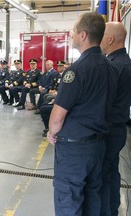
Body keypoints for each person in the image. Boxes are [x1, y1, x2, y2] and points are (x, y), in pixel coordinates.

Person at [47, 12, 118, 216]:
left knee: (68, 198)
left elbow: (58, 116)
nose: (72, 35)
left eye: (74, 31)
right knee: (93, 197)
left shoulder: (76, 71)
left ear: (83, 35)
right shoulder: (111, 67)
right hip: (98, 146)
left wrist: (52, 133)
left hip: (74, 150)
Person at [100, 22, 131, 216]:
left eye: (102, 35)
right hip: (118, 128)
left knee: (104, 174)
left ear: (110, 39)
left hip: (109, 129)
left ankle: (108, 210)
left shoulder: (114, 66)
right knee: (112, 171)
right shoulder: (124, 62)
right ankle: (112, 209)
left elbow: (103, 101)